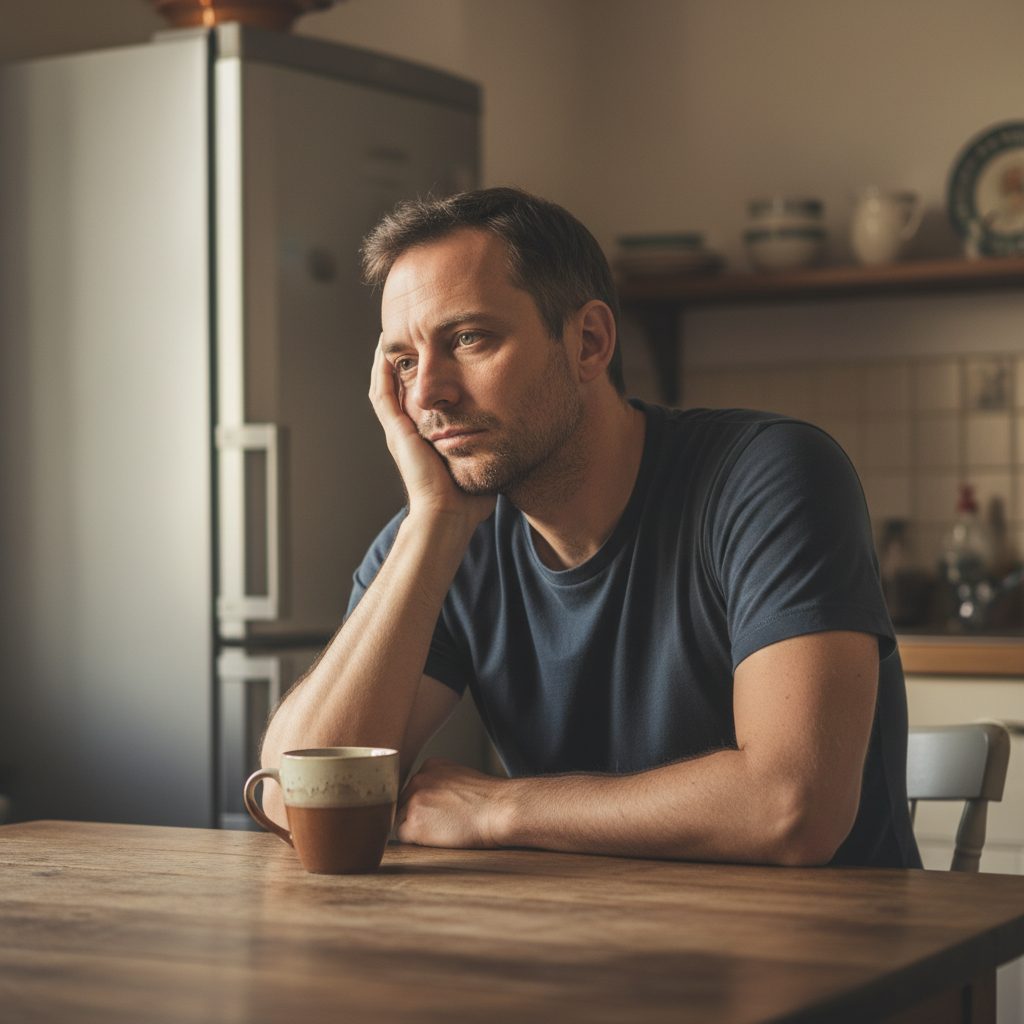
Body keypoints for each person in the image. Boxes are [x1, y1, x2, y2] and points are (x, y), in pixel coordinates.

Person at [259, 187, 921, 868]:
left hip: (829, 960)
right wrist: (430, 529)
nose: (426, 393)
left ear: (589, 342)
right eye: (402, 360)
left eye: (467, 339)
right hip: (585, 953)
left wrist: (498, 808)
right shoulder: (442, 536)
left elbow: (791, 808)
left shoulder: (768, 476)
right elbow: (289, 798)